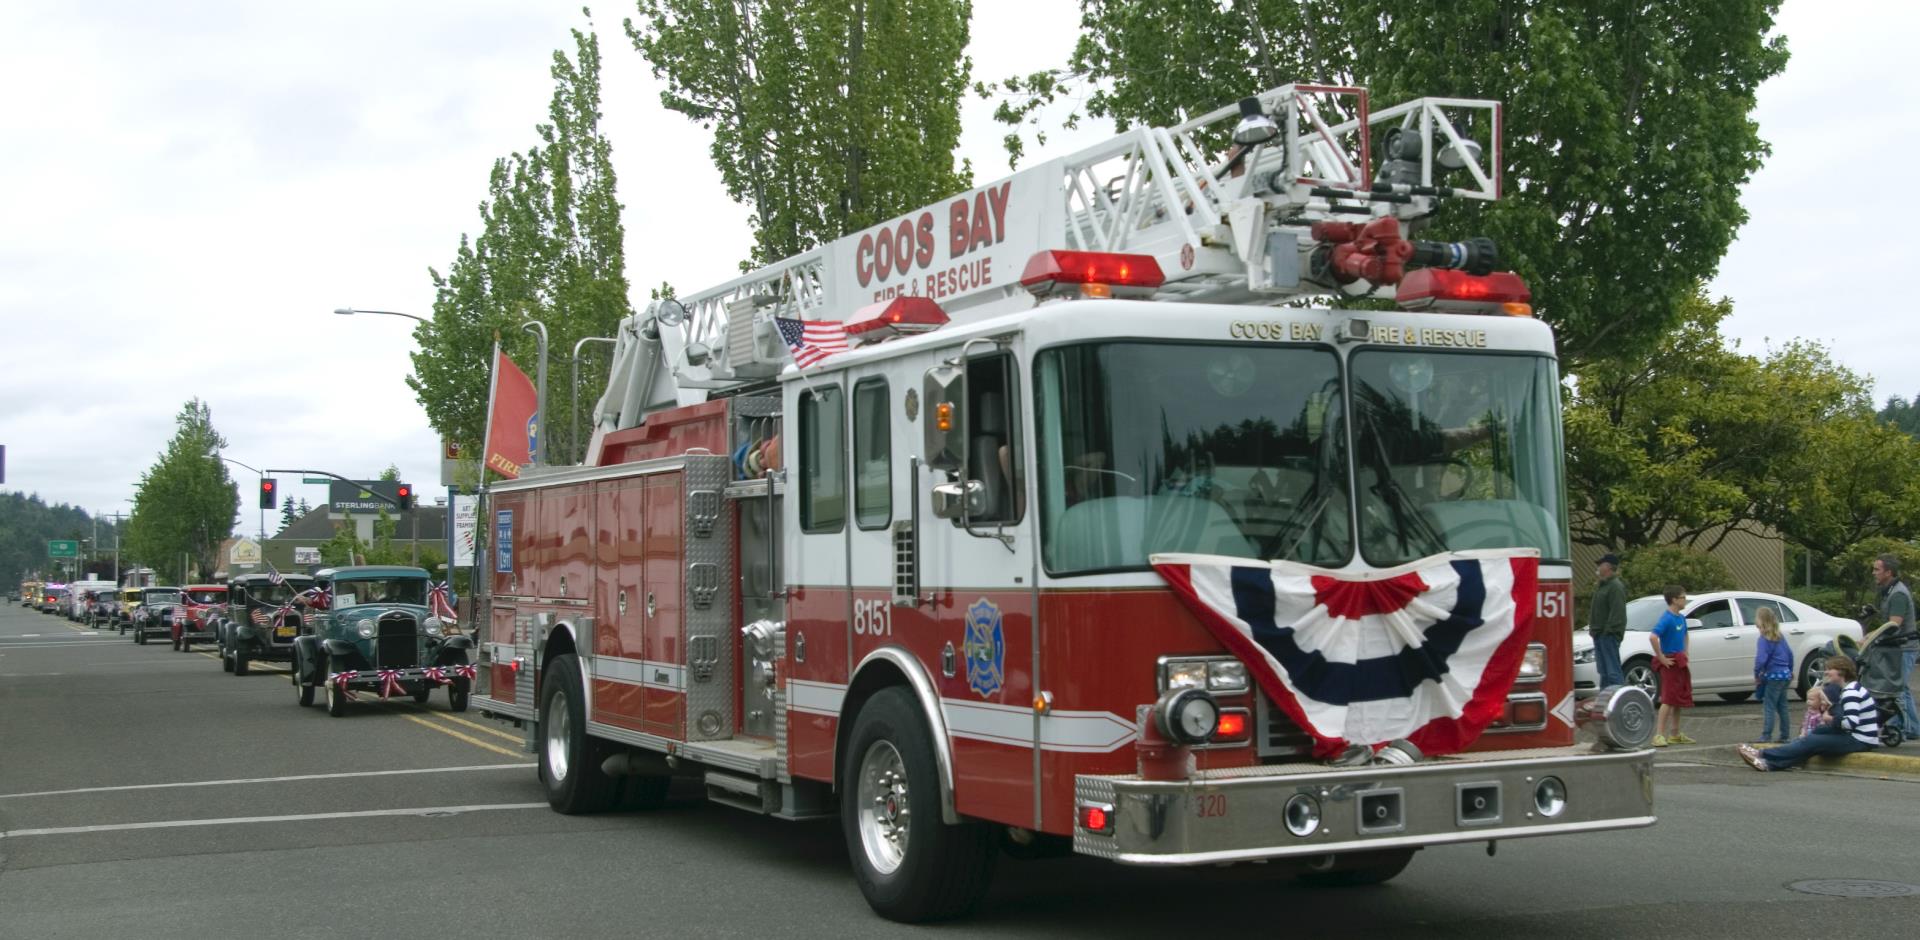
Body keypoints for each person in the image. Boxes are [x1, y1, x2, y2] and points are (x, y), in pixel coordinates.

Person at [1739, 655, 1879, 771]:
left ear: (1841, 672)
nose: (1826, 672)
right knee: (1816, 734)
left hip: (1860, 740)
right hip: (1856, 736)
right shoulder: (1851, 688)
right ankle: (1770, 765)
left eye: (1830, 669)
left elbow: (1850, 723)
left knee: (1813, 741)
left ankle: (1762, 754)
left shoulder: (1851, 693)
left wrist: (1829, 718)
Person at [1869, 554, 1919, 734]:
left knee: (1899, 689)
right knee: (1900, 688)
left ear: (1888, 572)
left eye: (1877, 569)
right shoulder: (1889, 590)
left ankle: (1909, 727)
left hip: (1904, 647)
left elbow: (1894, 624)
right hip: (1898, 647)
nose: (1874, 573)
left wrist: (1871, 637)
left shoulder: (1898, 593)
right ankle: (1910, 726)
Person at [1649, 584, 1694, 747]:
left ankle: (1674, 733)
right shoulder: (1666, 618)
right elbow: (1653, 637)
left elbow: (1685, 634)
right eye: (1683, 597)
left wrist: (1686, 650)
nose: (1685, 600)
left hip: (1680, 660)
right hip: (1670, 662)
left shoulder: (1681, 617)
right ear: (1674, 600)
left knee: (1677, 699)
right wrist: (1661, 658)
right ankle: (1659, 735)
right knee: (1668, 699)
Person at [1587, 553, 1628, 689]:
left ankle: (1618, 702)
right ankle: (1604, 703)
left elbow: (1617, 612)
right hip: (1599, 635)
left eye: (1601, 564)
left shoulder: (1615, 586)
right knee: (1604, 673)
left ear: (1608, 567)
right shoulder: (1602, 586)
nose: (1598, 567)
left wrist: (1608, 631)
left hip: (1608, 636)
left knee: (1613, 672)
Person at [1752, 607, 1793, 744]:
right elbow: (1790, 654)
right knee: (1782, 706)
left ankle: (1766, 735)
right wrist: (1790, 669)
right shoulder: (1780, 636)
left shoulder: (1763, 639)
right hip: (1785, 675)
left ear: (1761, 622)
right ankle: (1785, 735)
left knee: (1769, 706)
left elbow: (1761, 659)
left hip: (1773, 676)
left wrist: (1757, 673)